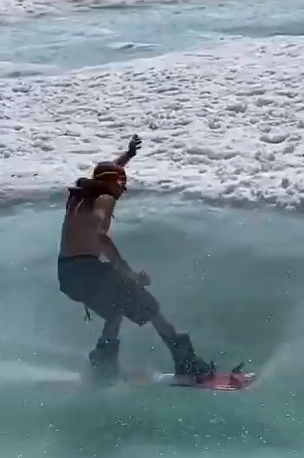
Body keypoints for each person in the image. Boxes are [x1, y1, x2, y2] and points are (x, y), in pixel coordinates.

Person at [56, 134, 215, 382]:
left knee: (115, 309)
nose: (122, 190)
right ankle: (186, 361)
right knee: (149, 306)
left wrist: (127, 156)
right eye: (121, 186)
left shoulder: (79, 195)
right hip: (87, 270)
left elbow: (108, 171)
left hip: (67, 274)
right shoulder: (102, 204)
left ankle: (103, 363)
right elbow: (102, 239)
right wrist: (129, 275)